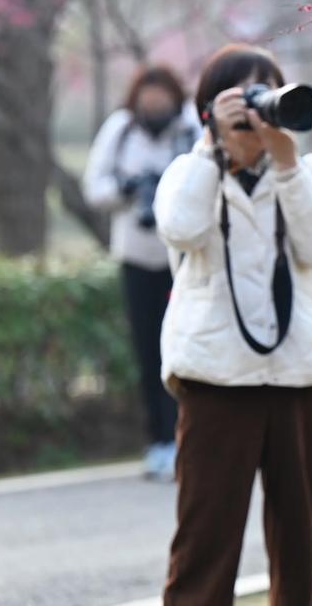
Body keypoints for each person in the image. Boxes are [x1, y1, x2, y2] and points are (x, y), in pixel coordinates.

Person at [153, 44, 312, 606]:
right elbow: (180, 227)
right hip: (216, 378)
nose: (255, 108)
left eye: (266, 91)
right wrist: (211, 150)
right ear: (208, 108)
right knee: (204, 539)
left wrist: (286, 165)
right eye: (241, 95)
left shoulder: (308, 171)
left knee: (298, 539)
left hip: (303, 374)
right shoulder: (189, 172)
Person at [83, 64, 200, 481]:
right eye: (147, 102)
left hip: (184, 256)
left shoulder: (192, 129)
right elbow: (94, 187)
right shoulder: (121, 130)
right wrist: (129, 190)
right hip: (136, 256)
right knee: (148, 352)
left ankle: (192, 436)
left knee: (187, 349)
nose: (154, 109)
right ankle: (159, 442)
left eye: (161, 102)